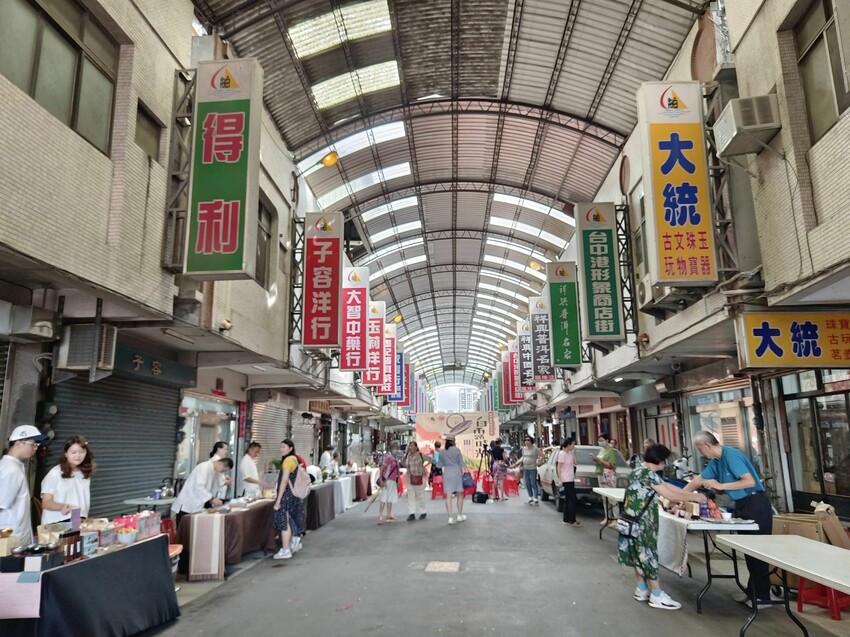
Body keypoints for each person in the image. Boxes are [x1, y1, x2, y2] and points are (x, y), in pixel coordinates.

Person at [684, 431, 775, 608]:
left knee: (758, 552)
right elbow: (698, 481)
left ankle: (763, 596)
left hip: (756, 503)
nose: (700, 453)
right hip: (742, 505)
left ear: (707, 446)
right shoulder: (716, 462)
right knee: (748, 551)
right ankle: (752, 591)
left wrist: (720, 485)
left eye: (700, 448)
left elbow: (748, 481)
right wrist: (679, 497)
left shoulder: (731, 455)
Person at [619, 444, 707, 611]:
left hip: (631, 521)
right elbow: (670, 494)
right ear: (659, 459)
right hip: (643, 523)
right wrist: (695, 497)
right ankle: (657, 595)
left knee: (638, 555)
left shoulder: (639, 470)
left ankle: (642, 589)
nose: (666, 463)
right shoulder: (647, 474)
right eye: (665, 460)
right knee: (648, 555)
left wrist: (688, 493)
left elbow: (666, 486)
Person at [0, 425, 48, 545]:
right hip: (12, 538)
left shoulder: (14, 466)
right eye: (33, 444)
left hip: (16, 536)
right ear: (18, 443)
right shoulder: (11, 470)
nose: (35, 448)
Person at [41, 436, 95, 524]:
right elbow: (46, 502)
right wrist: (61, 506)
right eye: (74, 452)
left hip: (76, 518)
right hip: (56, 522)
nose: (78, 455)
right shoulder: (55, 473)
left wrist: (82, 517)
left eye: (82, 452)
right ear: (66, 454)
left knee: (75, 538)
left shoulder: (85, 473)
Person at [173, 456, 233, 529]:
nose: (222, 472)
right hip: (187, 504)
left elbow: (215, 485)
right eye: (223, 470)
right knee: (183, 531)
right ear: (220, 463)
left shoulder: (213, 470)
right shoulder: (204, 467)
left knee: (191, 531)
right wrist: (212, 499)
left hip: (196, 504)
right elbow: (199, 487)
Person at [272, 439, 306, 559]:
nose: (281, 449)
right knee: (289, 520)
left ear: (290, 448)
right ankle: (293, 542)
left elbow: (284, 481)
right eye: (280, 447)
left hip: (286, 495)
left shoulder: (287, 461)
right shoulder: (294, 459)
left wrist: (278, 500)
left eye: (284, 447)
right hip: (293, 495)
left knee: (284, 523)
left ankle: (285, 549)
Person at [436, 436, 466, 524]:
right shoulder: (457, 450)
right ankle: (460, 515)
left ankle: (450, 517)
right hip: (456, 472)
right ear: (453, 441)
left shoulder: (441, 451)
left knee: (448, 496)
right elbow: (461, 463)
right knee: (459, 494)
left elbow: (439, 465)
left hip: (447, 473)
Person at [401, 441, 431, 521]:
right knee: (411, 495)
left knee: (420, 495)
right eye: (409, 446)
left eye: (412, 446)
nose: (410, 448)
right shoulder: (407, 455)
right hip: (409, 478)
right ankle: (412, 513)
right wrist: (407, 466)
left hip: (420, 478)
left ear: (416, 447)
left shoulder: (421, 455)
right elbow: (402, 462)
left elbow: (431, 459)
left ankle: (423, 512)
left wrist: (424, 466)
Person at [556, 437, 580, 527]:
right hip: (566, 478)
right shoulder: (562, 454)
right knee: (572, 499)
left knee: (568, 499)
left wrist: (574, 452)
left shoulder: (570, 453)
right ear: (569, 444)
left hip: (571, 477)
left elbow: (576, 462)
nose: (574, 446)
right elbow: (559, 466)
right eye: (573, 444)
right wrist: (560, 478)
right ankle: (571, 519)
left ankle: (566, 519)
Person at [511, 436, 542, 504]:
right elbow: (523, 457)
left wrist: (539, 462)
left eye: (528, 440)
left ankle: (535, 498)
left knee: (533, 483)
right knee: (527, 483)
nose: (526, 441)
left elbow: (541, 455)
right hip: (526, 468)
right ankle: (530, 497)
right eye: (525, 440)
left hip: (532, 468)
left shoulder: (535, 449)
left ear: (531, 441)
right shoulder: (524, 449)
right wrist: (516, 464)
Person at [378, 442, 402, 525]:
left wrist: (398, 481)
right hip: (387, 481)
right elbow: (382, 469)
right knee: (384, 498)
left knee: (390, 498)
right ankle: (380, 515)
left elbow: (398, 472)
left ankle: (388, 514)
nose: (396, 449)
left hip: (392, 481)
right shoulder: (388, 458)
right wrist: (381, 479)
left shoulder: (396, 459)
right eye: (394, 447)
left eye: (397, 447)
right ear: (391, 448)